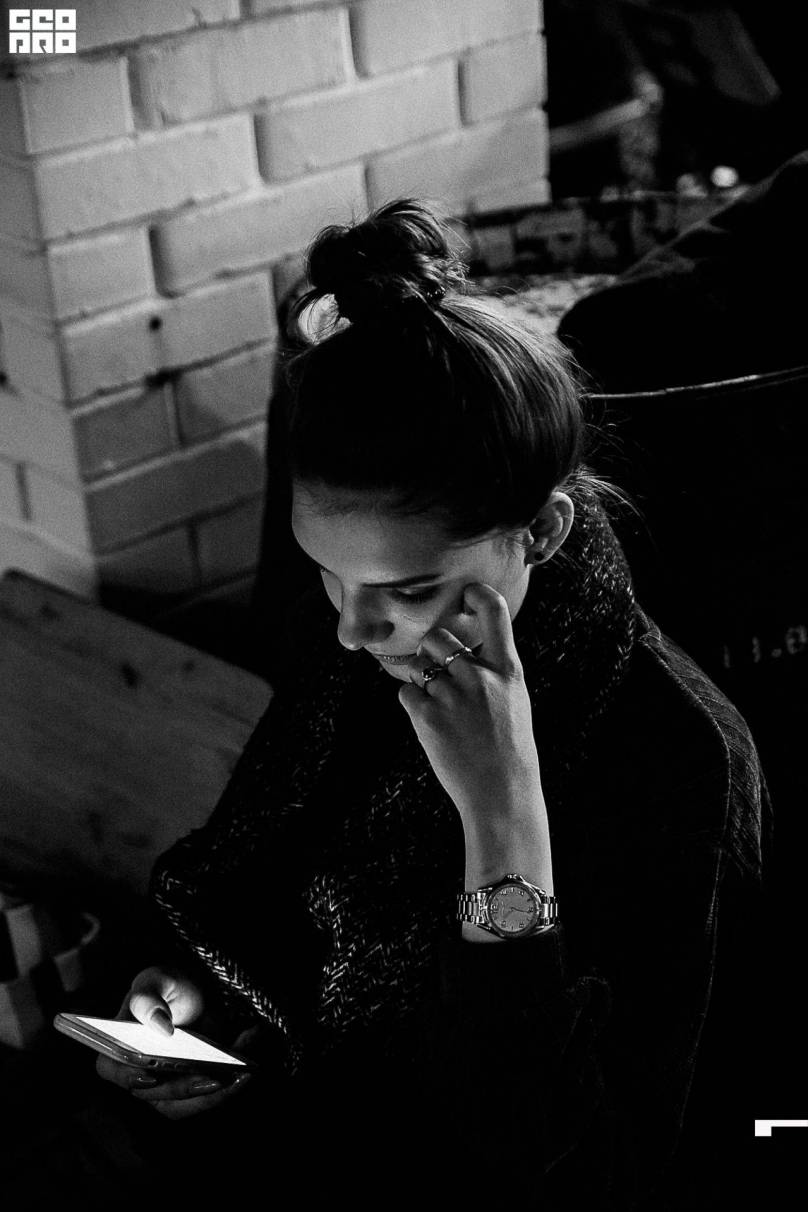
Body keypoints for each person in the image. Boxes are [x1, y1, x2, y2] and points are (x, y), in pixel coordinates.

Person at [95, 200, 768, 1207]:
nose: (352, 629)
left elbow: (582, 1168)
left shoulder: (674, 752)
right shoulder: (360, 647)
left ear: (541, 532)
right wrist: (196, 1001)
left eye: (407, 588)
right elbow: (264, 892)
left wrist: (503, 818)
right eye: (327, 573)